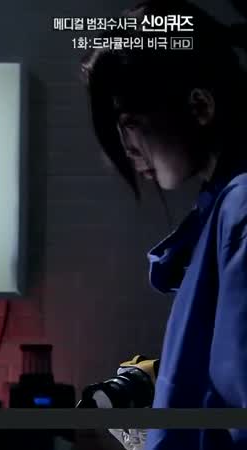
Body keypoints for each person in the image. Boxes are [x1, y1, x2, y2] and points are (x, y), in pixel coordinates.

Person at [80, 0, 247, 448]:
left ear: (200, 106)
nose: (127, 149)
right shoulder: (222, 209)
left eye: (130, 123)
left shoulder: (240, 208)